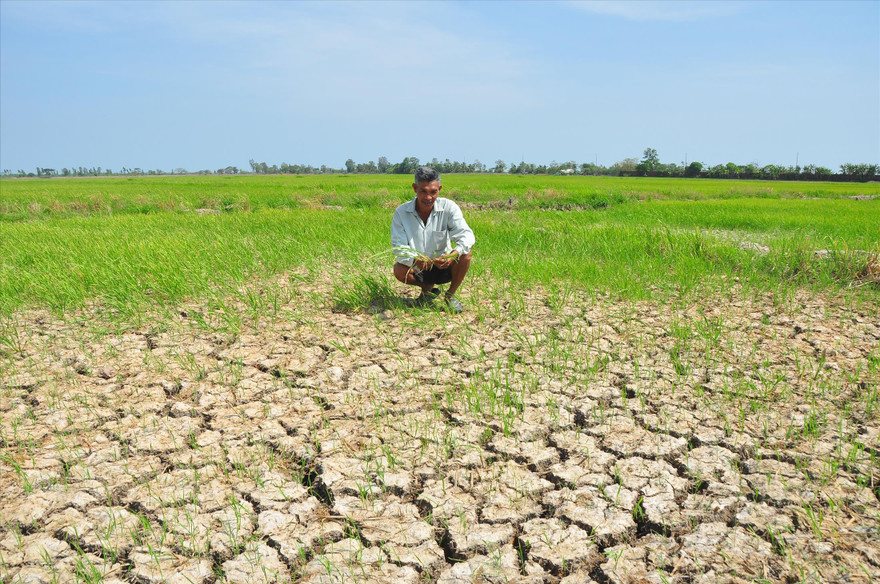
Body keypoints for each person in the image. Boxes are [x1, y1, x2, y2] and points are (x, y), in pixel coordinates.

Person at [391, 166, 474, 313]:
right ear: (415, 188)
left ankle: (450, 296)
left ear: (439, 189)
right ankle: (427, 290)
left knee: (466, 254)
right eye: (423, 191)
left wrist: (453, 254)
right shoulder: (401, 213)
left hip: (445, 267)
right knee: (399, 269)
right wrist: (417, 260)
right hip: (419, 268)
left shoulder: (449, 208)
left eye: (433, 192)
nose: (428, 197)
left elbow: (466, 235)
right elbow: (399, 248)